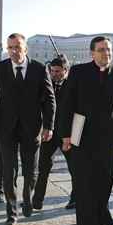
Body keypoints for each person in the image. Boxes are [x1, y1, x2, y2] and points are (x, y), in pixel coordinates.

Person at [0, 33, 56, 225]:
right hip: (5, 128)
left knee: (31, 171)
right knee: (8, 171)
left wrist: (49, 126)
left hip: (32, 128)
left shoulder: (39, 69)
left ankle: (27, 196)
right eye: (10, 47)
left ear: (25, 48)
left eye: (17, 47)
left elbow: (49, 99)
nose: (14, 51)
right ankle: (11, 212)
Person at [60, 36, 113, 225]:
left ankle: (101, 216)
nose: (106, 53)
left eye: (108, 49)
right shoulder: (78, 72)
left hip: (108, 138)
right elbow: (67, 105)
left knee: (106, 180)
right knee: (84, 182)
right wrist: (65, 135)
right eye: (101, 50)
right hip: (81, 135)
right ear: (92, 53)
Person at [32, 55, 76, 210]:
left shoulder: (73, 86)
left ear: (66, 70)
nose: (54, 74)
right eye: (52, 71)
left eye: (58, 71)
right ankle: (37, 200)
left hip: (67, 134)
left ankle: (75, 198)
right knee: (43, 167)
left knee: (74, 168)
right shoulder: (45, 84)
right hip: (48, 133)